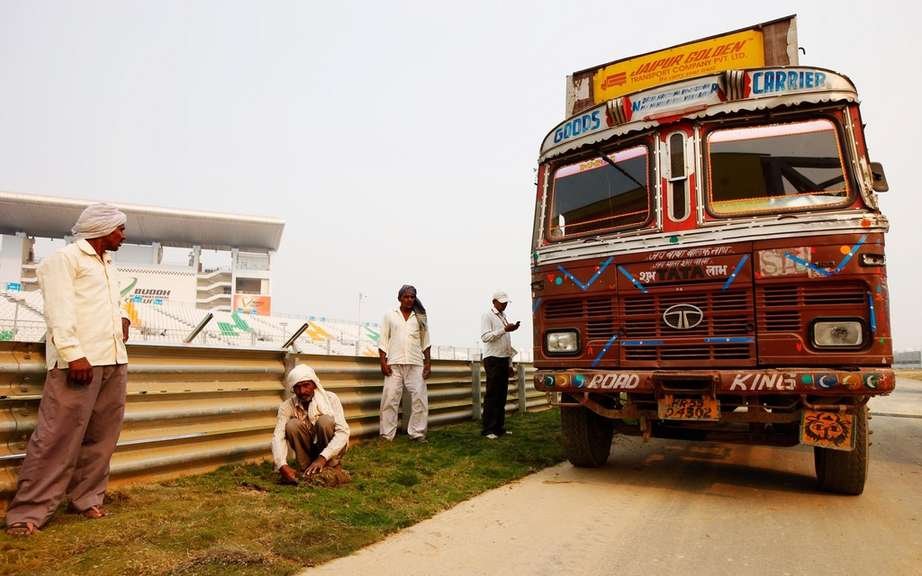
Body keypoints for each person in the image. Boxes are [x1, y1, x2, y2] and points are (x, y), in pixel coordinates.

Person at [5, 204, 131, 536]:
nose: (123, 235)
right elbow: (58, 310)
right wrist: (74, 355)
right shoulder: (64, 260)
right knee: (56, 438)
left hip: (114, 360)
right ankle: (27, 513)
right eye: (119, 229)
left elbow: (115, 302)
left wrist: (125, 318)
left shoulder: (107, 263)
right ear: (102, 230)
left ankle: (86, 499)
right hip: (79, 364)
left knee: (102, 438)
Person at [273, 364, 350, 485]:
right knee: (292, 425)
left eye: (306, 385)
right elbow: (278, 436)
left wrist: (322, 458)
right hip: (309, 450)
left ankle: (333, 467)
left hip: (330, 452)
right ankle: (307, 469)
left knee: (325, 421)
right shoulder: (287, 406)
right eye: (297, 387)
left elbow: (343, 433)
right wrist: (282, 465)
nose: (302, 391)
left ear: (314, 384)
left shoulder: (331, 399)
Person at [378, 285, 431, 442]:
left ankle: (417, 433)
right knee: (389, 399)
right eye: (406, 297)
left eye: (412, 297)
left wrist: (428, 364)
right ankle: (386, 435)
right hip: (394, 362)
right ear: (400, 298)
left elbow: (426, 342)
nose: (409, 300)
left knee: (420, 399)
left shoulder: (420, 317)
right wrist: (383, 362)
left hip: (416, 363)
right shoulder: (390, 315)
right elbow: (383, 340)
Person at [480, 290, 519, 439]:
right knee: (492, 394)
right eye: (501, 302)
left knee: (501, 395)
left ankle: (498, 428)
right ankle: (488, 429)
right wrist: (504, 329)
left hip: (503, 358)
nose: (504, 305)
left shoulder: (503, 316)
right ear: (494, 302)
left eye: (505, 303)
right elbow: (485, 337)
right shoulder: (487, 315)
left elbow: (507, 343)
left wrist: (510, 363)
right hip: (493, 358)